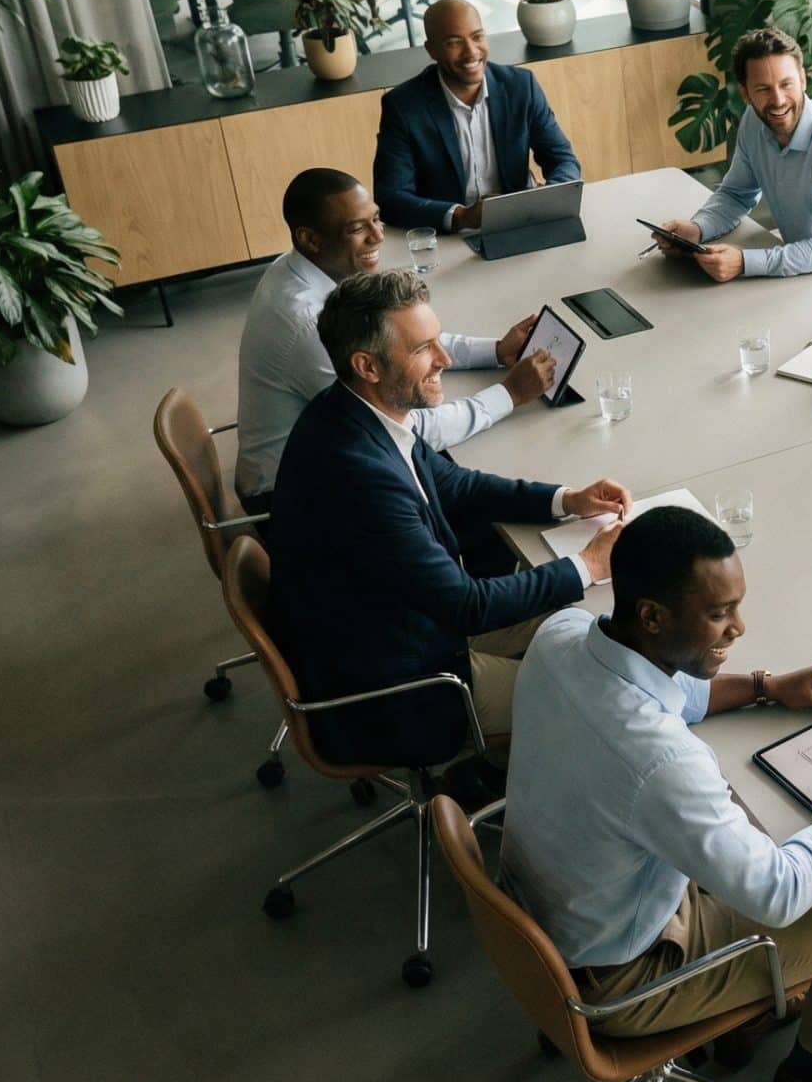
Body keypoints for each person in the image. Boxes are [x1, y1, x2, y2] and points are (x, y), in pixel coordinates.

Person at [505, 507, 812, 1082]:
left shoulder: (562, 635)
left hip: (551, 909)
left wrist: (765, 685)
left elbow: (663, 686)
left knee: (758, 838)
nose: (739, 628)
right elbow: (778, 893)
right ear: (652, 615)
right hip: (618, 978)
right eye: (719, 613)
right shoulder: (662, 761)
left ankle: (744, 1014)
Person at [266, 270, 628, 771]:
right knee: (599, 694)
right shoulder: (357, 474)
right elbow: (467, 607)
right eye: (424, 349)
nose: (446, 359)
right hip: (403, 689)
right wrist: (589, 563)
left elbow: (456, 485)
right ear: (367, 365)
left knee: (596, 627)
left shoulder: (359, 412)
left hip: (405, 624)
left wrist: (567, 500)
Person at [235, 168, 553, 512]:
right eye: (358, 228)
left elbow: (398, 338)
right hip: (293, 496)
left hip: (319, 456)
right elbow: (408, 431)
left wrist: (494, 350)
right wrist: (510, 394)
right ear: (311, 239)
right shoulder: (309, 324)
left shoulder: (302, 266)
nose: (378, 237)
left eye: (376, 219)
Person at [653, 27, 812, 290]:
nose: (778, 100)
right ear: (745, 93)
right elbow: (736, 194)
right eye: (763, 89)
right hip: (806, 274)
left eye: (786, 84)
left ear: (802, 79)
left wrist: (743, 262)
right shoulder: (753, 122)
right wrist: (697, 229)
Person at [373, 0, 582, 236]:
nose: (471, 52)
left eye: (477, 36)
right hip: (450, 234)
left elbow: (563, 160)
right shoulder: (403, 106)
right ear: (432, 50)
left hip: (521, 222)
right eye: (454, 42)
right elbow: (390, 198)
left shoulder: (521, 86)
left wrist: (545, 200)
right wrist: (461, 216)